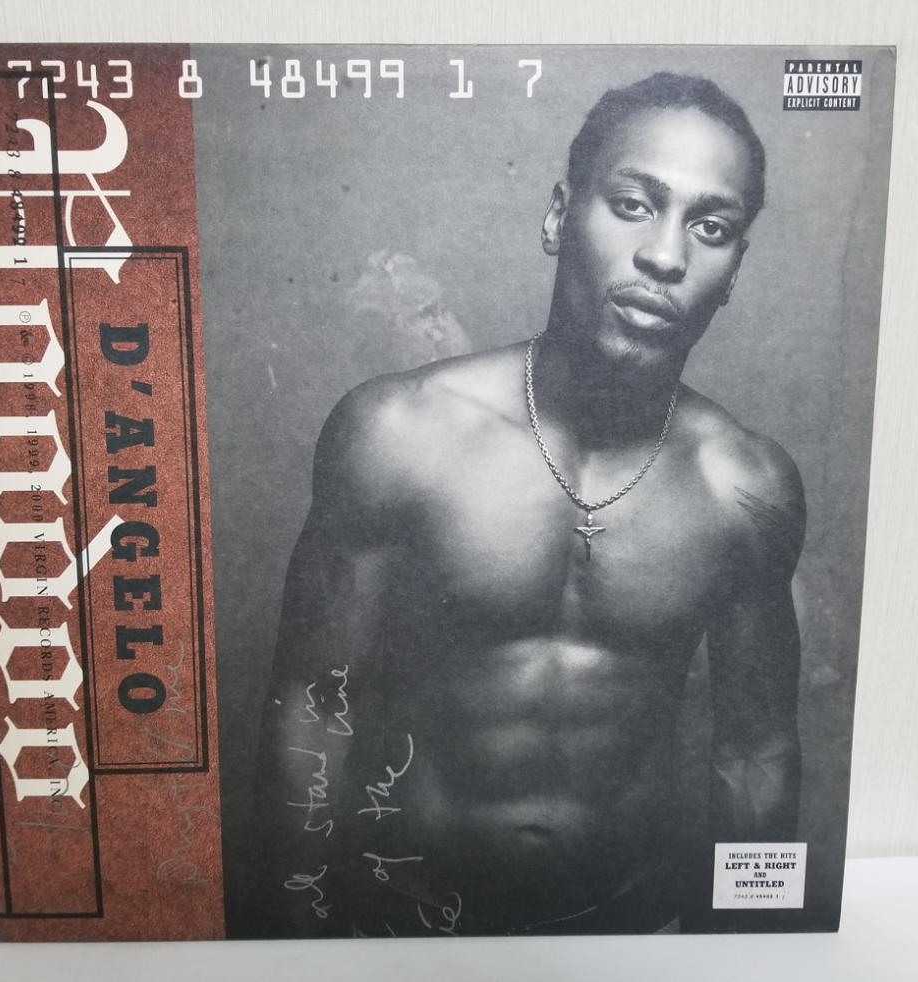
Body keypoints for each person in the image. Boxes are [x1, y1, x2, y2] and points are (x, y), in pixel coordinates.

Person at [251, 72, 805, 937]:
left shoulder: (746, 488)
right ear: (558, 216)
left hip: (634, 931)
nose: (665, 256)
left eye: (711, 227)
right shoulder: (400, 433)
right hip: (403, 932)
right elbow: (314, 715)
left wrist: (750, 953)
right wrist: (301, 942)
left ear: (734, 269)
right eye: (633, 205)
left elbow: (756, 757)